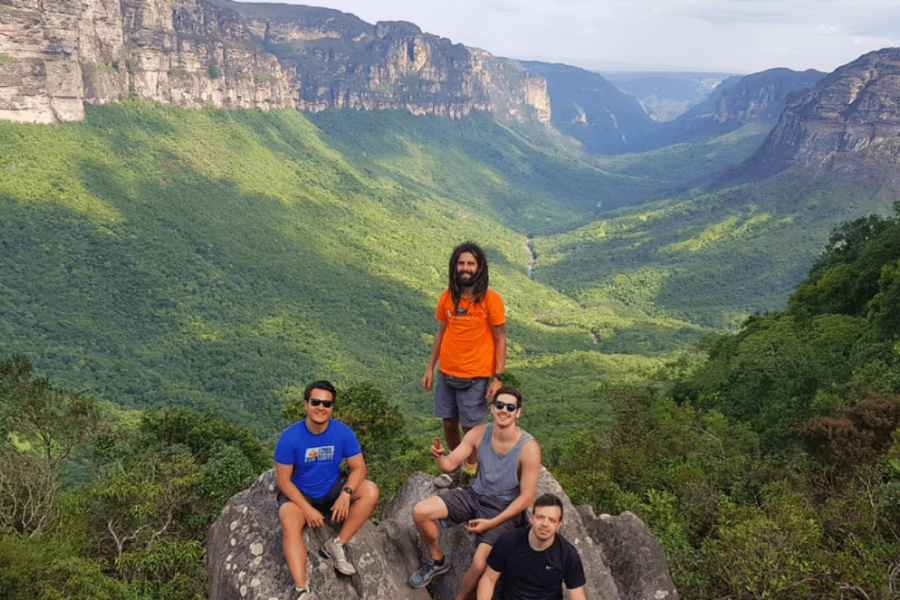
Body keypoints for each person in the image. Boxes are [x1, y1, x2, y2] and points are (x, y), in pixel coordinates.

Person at [409, 387, 541, 600]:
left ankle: (459, 598)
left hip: (503, 507)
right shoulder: (479, 433)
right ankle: (437, 560)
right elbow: (450, 464)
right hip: (475, 495)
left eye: (510, 407)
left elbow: (526, 498)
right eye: (499, 405)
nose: (504, 410)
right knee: (421, 511)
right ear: (492, 408)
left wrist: (491, 523)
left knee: (480, 563)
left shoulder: (528, 448)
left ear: (518, 412)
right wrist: (440, 457)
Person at [274, 380, 380, 600]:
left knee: (370, 490)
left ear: (332, 407)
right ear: (306, 405)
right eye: (316, 402)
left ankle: (337, 544)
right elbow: (283, 481)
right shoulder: (290, 437)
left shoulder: (342, 433)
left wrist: (346, 493)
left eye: (327, 404)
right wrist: (307, 510)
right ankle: (302, 590)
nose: (321, 407)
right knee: (289, 521)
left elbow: (359, 468)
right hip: (301, 492)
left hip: (332, 487)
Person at [423, 241, 507, 486]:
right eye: (461, 263)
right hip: (446, 372)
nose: (466, 268)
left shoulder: (491, 299)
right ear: (455, 266)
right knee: (449, 422)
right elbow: (441, 331)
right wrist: (430, 367)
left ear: (479, 267)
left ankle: (472, 471)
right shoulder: (447, 296)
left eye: (471, 263)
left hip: (476, 375)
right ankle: (455, 466)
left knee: (472, 427)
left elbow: (500, 338)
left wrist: (498, 377)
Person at [477, 494, 587, 600]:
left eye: (552, 520)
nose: (545, 524)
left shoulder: (568, 555)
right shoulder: (508, 541)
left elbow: (577, 595)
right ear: (532, 517)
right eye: (540, 517)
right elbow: (489, 579)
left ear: (559, 525)